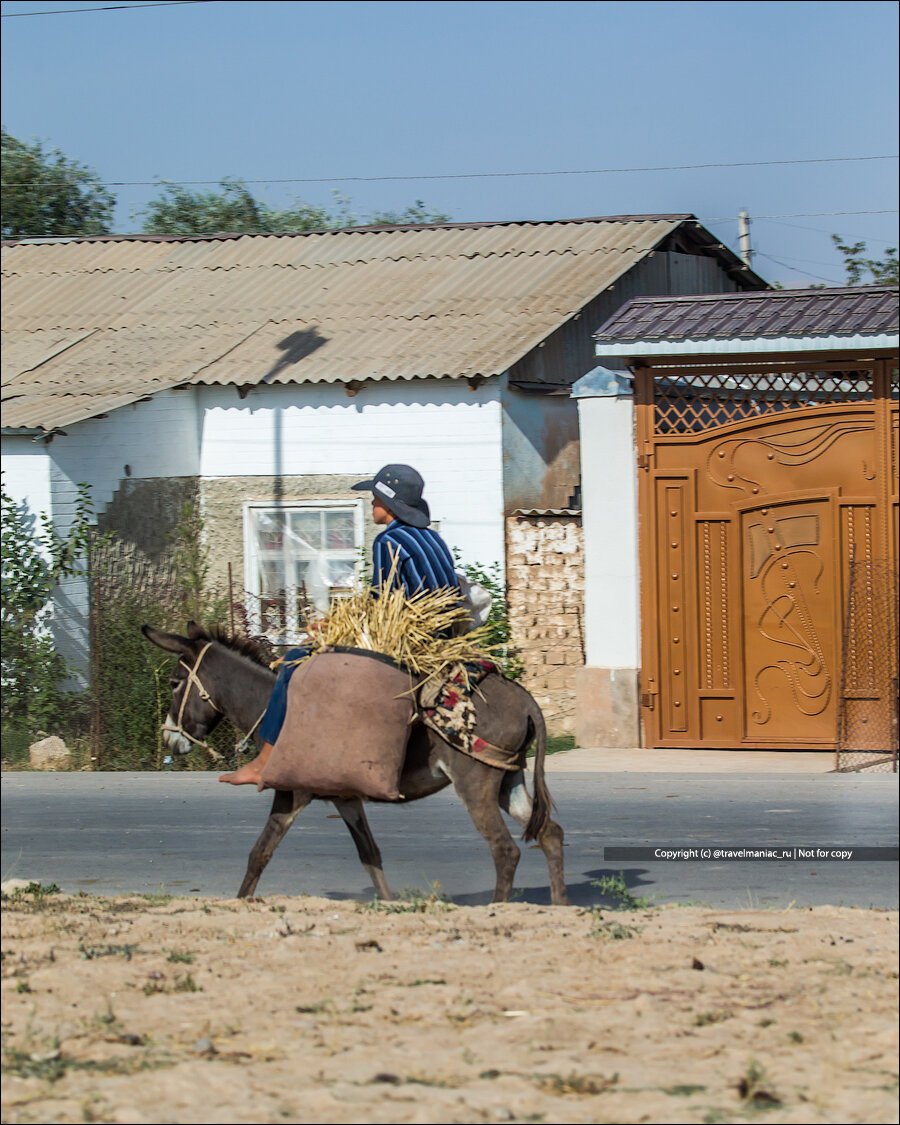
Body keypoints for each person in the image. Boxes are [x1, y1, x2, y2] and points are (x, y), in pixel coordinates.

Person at [219, 464, 458, 786]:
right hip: (442, 639)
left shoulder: (389, 541)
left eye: (374, 498)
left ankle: (264, 761)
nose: (371, 505)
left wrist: (334, 628)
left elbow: (381, 604)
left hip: (407, 642)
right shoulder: (432, 539)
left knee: (293, 663)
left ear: (387, 505)